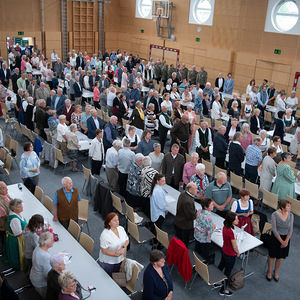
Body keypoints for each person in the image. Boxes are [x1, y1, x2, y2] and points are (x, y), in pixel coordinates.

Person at [266, 199, 294, 282]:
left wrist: (286, 241)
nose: (290, 207)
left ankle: (276, 272)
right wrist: (281, 241)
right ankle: (269, 271)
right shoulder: (274, 215)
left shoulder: (291, 215)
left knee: (280, 256)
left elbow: (290, 229)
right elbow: (274, 230)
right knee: (272, 255)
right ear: (282, 207)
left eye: (290, 206)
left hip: (286, 238)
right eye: (288, 206)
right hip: (276, 238)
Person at [217, 212, 240, 297]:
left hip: (224, 250)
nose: (238, 220)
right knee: (227, 272)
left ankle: (217, 281)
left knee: (221, 266)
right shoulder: (230, 231)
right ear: (232, 221)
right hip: (230, 254)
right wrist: (238, 252)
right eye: (236, 219)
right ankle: (223, 290)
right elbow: (234, 246)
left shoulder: (225, 227)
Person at [2, 199, 27, 270]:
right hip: (16, 240)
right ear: (14, 209)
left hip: (15, 237)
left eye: (21, 205)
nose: (22, 207)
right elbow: (18, 234)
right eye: (19, 206)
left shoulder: (14, 213)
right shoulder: (15, 220)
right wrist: (27, 228)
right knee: (17, 254)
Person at [30, 231, 54, 298]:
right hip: (40, 282)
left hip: (34, 275)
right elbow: (47, 275)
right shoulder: (45, 257)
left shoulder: (38, 246)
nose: (53, 241)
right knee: (45, 296)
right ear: (45, 244)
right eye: (52, 240)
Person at [174, 183, 197, 247]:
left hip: (179, 221)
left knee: (179, 240)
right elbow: (190, 216)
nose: (197, 190)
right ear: (190, 190)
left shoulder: (183, 193)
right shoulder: (188, 201)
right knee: (184, 243)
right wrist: (196, 215)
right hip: (184, 225)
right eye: (195, 189)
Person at [150, 174, 168, 249]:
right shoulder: (158, 191)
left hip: (155, 212)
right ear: (157, 181)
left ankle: (154, 241)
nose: (165, 182)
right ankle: (156, 244)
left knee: (155, 227)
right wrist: (165, 210)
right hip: (159, 213)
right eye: (162, 181)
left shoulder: (156, 188)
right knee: (158, 229)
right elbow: (161, 205)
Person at [194, 197, 215, 263]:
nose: (213, 206)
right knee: (204, 256)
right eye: (211, 205)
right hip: (204, 239)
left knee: (197, 252)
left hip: (198, 235)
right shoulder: (207, 217)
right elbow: (209, 231)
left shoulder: (199, 210)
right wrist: (213, 227)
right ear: (206, 207)